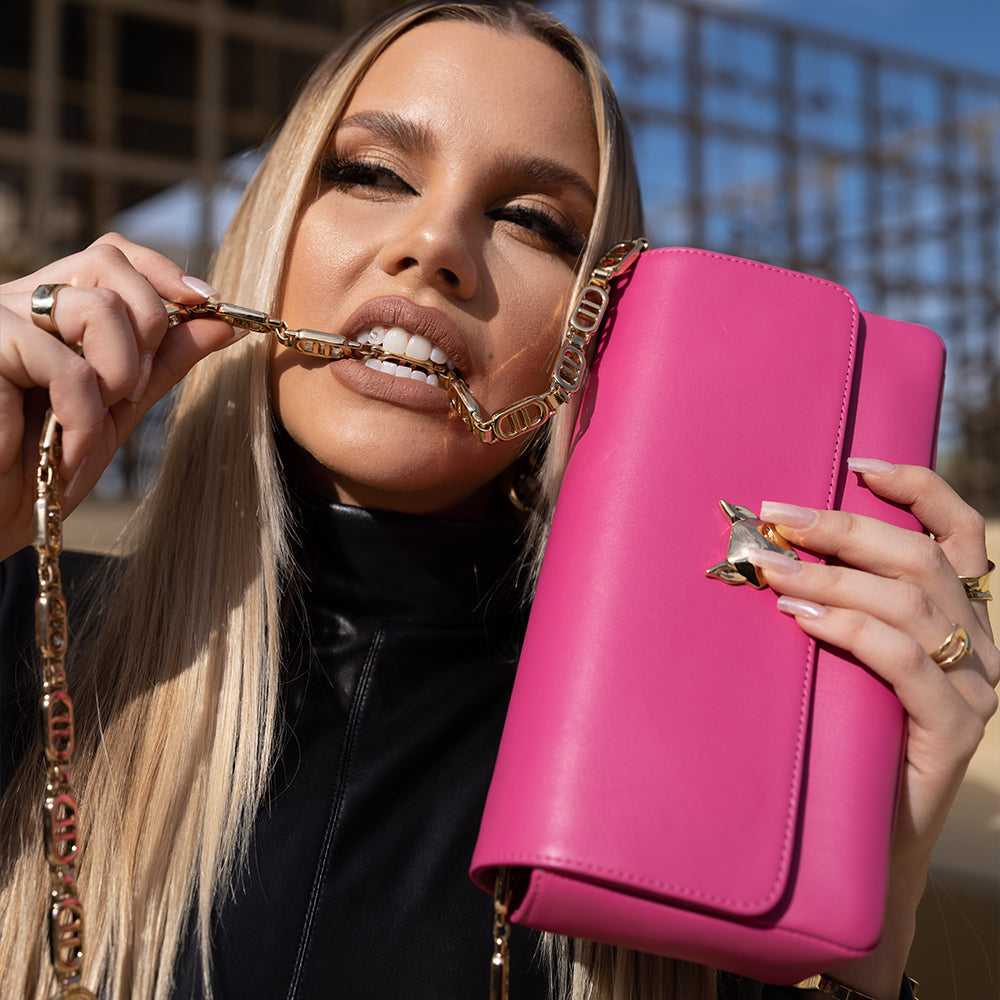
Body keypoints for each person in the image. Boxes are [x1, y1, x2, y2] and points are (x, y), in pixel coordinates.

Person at [0, 2, 996, 999]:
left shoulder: (684, 777)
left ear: (594, 334)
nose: (434, 243)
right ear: (270, 232)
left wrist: (864, 921)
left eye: (532, 221)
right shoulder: (28, 628)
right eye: (373, 173)